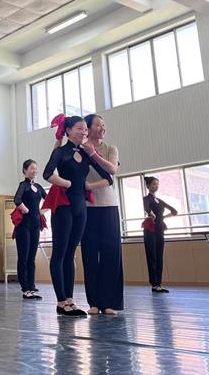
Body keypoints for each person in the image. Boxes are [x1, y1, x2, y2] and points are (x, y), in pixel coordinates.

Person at [43, 116, 113, 317]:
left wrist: (89, 185)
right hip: (63, 207)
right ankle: (61, 302)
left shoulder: (85, 152)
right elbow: (47, 173)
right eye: (80, 128)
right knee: (60, 252)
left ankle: (70, 300)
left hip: (80, 206)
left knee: (71, 253)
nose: (84, 132)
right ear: (68, 131)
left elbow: (108, 177)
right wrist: (66, 183)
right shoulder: (60, 152)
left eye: (85, 129)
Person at [80, 114, 123, 315]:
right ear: (87, 128)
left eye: (104, 125)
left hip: (109, 206)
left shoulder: (110, 149)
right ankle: (94, 302)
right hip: (88, 207)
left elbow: (112, 170)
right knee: (89, 254)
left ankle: (110, 302)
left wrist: (93, 154)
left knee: (111, 254)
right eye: (98, 125)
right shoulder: (79, 149)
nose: (102, 128)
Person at [13, 159, 47, 300]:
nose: (35, 171)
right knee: (24, 257)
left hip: (35, 225)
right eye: (32, 168)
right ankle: (25, 288)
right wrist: (26, 210)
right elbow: (17, 200)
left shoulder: (38, 187)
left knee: (32, 258)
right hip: (23, 226)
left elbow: (49, 200)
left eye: (36, 168)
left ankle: (32, 287)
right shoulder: (23, 185)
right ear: (25, 171)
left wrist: (41, 212)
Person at [142, 176, 177, 293]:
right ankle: (154, 284)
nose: (155, 186)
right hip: (150, 229)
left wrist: (162, 218)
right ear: (148, 186)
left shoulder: (160, 201)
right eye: (153, 184)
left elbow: (174, 211)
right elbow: (146, 207)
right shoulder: (146, 198)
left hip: (159, 229)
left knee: (159, 256)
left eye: (157, 184)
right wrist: (151, 214)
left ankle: (159, 284)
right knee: (152, 256)